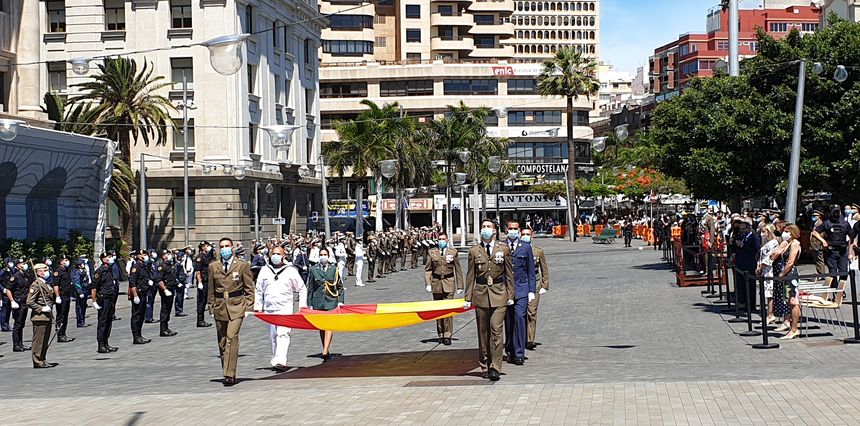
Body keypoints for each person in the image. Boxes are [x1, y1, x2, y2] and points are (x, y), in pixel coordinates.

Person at [465, 219, 514, 382]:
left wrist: (510, 295)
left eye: (489, 227)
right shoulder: (474, 251)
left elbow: (509, 274)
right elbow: (470, 276)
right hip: (480, 294)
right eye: (483, 227)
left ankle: (495, 367)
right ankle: (484, 365)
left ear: (494, 231)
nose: (486, 229)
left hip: (499, 294)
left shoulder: (504, 249)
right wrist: (467, 297)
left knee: (496, 331)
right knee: (483, 332)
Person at [207, 238, 254, 386]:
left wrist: (249, 307)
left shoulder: (242, 265)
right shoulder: (214, 266)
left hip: (237, 305)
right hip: (220, 305)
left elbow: (249, 288)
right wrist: (211, 306)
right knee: (222, 342)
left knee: (231, 338)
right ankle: (226, 369)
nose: (224, 249)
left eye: (227, 246)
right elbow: (211, 289)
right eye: (222, 247)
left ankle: (230, 374)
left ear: (232, 247)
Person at [254, 246, 307, 372]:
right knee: (272, 336)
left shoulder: (290, 271)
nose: (275, 256)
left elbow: (301, 288)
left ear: (284, 256)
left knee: (283, 334)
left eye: (278, 254)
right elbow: (259, 289)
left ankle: (281, 361)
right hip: (269, 309)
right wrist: (257, 306)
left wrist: (302, 306)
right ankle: (275, 358)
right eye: (274, 253)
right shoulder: (265, 270)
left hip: (285, 308)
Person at [503, 220, 535, 366]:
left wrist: (531, 290)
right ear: (506, 229)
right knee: (508, 321)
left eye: (515, 229)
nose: (513, 231)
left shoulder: (526, 247)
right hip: (505, 290)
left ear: (519, 230)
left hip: (521, 288)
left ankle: (519, 353)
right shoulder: (501, 246)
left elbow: (531, 271)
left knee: (520, 318)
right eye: (510, 228)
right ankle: (509, 349)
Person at [423, 232, 463, 346]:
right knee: (438, 310)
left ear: (447, 240)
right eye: (439, 239)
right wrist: (428, 283)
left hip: (449, 282)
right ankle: (440, 333)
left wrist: (460, 286)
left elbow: (458, 270)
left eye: (443, 239)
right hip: (436, 283)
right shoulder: (432, 252)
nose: (441, 241)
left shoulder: (453, 252)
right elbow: (428, 270)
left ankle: (447, 334)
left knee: (448, 310)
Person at [307, 248, 344, 362]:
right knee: (322, 327)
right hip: (318, 302)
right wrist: (309, 304)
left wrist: (340, 301)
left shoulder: (334, 269)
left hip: (331, 300)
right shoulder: (313, 269)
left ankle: (325, 350)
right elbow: (311, 287)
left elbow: (339, 286)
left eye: (325, 254)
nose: (323, 256)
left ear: (328, 256)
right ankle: (325, 348)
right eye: (321, 255)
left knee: (329, 325)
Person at [773, 224, 802, 339]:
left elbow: (790, 261)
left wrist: (782, 274)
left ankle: (794, 329)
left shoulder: (795, 243)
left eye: (786, 231)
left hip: (791, 274)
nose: (784, 233)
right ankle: (791, 327)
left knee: (794, 301)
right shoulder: (788, 243)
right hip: (786, 275)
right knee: (789, 301)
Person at [523, 228, 549, 351]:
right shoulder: (515, 250)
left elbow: (544, 269)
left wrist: (544, 285)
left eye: (527, 234)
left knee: (531, 312)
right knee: (520, 313)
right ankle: (520, 338)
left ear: (531, 236)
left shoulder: (538, 252)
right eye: (523, 234)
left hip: (535, 285)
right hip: (521, 285)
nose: (525, 236)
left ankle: (530, 340)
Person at [813, 205, 853, 284]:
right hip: (831, 251)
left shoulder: (845, 224)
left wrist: (851, 252)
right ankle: (835, 289)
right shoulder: (827, 223)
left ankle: (841, 289)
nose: (836, 213)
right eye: (834, 211)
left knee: (844, 272)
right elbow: (815, 232)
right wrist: (823, 241)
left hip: (842, 251)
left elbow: (852, 237)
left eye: (837, 211)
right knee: (833, 272)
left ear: (840, 212)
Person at [27, 263, 57, 368]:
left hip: (47, 316)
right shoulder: (36, 284)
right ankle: (37, 360)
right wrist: (41, 308)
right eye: (44, 270)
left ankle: (43, 359)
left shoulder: (45, 283)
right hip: (39, 317)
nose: (46, 272)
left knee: (45, 340)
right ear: (38, 272)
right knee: (39, 340)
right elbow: (29, 301)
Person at [91, 252, 118, 353]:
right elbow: (94, 287)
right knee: (102, 322)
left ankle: (106, 343)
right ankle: (101, 345)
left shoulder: (110, 269)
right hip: (103, 298)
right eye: (108, 257)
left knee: (108, 321)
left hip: (110, 297)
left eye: (111, 257)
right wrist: (94, 301)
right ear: (103, 259)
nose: (110, 258)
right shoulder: (100, 271)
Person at [755, 224, 780, 325]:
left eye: (764, 232)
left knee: (769, 293)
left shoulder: (773, 243)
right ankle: (767, 313)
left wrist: (761, 268)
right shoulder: (765, 243)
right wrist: (758, 266)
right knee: (763, 292)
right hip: (762, 270)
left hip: (768, 270)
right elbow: (761, 256)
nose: (762, 234)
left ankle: (770, 314)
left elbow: (769, 258)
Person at [5, 258, 31, 352]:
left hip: (25, 303)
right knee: (17, 324)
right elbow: (8, 289)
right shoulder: (15, 276)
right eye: (22, 263)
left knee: (22, 324)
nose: (24, 265)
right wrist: (12, 301)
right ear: (18, 266)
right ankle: (16, 345)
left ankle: (20, 343)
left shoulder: (26, 275)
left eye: (25, 263)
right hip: (18, 302)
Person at [127, 249, 152, 345]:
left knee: (141, 315)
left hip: (144, 292)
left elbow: (144, 278)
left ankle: (139, 335)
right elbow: (132, 283)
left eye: (145, 254)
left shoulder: (144, 266)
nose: (144, 256)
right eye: (142, 254)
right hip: (138, 294)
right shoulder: (135, 267)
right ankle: (136, 337)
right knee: (136, 316)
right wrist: (135, 296)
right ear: (137, 256)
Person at [50, 254, 75, 343]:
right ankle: (60, 335)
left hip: (67, 295)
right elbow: (56, 285)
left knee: (65, 316)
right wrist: (57, 296)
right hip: (61, 296)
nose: (67, 261)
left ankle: (63, 333)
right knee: (61, 315)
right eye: (65, 260)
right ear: (60, 262)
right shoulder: (58, 271)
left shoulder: (66, 270)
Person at [155, 249, 179, 337]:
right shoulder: (161, 266)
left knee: (168, 309)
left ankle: (166, 327)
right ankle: (163, 329)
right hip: (166, 290)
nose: (169, 255)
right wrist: (165, 290)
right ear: (163, 256)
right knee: (165, 309)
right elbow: (159, 280)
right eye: (167, 254)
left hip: (171, 289)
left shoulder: (169, 265)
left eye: (169, 254)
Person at [194, 241, 214, 328]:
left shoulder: (208, 256)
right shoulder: (200, 257)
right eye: (206, 246)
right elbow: (198, 271)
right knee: (201, 301)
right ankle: (200, 320)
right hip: (203, 281)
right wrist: (200, 282)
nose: (208, 247)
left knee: (205, 300)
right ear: (202, 247)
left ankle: (202, 319)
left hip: (208, 280)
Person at [72, 259, 90, 328]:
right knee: (79, 307)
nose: (84, 265)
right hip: (80, 292)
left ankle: (83, 321)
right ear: (79, 265)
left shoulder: (83, 271)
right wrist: (80, 292)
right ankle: (80, 322)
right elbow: (77, 283)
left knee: (83, 307)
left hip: (85, 290)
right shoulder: (77, 272)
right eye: (82, 264)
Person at [809, 210, 827, 279]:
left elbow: (821, 235)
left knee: (819, 260)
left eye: (815, 216)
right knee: (816, 260)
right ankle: (820, 273)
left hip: (817, 244)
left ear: (819, 216)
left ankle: (822, 274)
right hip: (814, 244)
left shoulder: (820, 224)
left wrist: (820, 243)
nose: (813, 217)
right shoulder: (815, 224)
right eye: (813, 215)